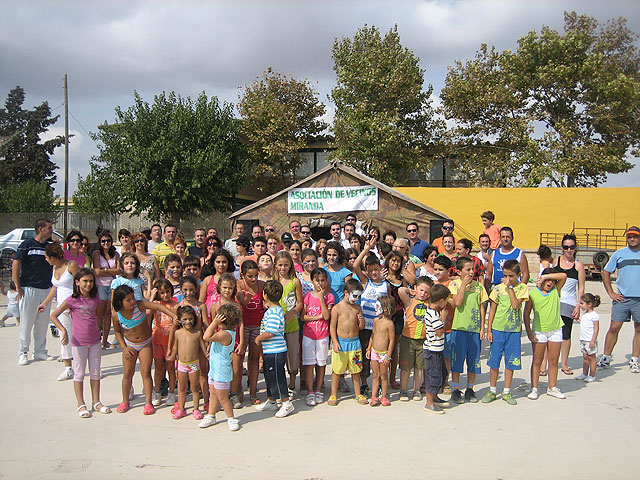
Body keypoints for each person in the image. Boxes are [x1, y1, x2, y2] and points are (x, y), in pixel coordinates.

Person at [49, 268, 111, 418]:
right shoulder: (71, 300)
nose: (88, 284)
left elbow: (97, 317)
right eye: (85, 281)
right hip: (79, 342)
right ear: (77, 282)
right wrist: (63, 330)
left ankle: (96, 402)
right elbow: (53, 316)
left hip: (95, 341)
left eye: (91, 281)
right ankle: (81, 403)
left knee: (95, 372)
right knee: (79, 373)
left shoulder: (96, 299)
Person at [111, 284, 176, 414]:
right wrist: (124, 348)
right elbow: (117, 332)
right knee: (128, 373)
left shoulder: (139, 305)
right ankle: (125, 401)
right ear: (119, 302)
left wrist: (173, 315)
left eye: (133, 298)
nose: (132, 301)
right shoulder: (116, 315)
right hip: (129, 345)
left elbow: (158, 306)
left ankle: (148, 402)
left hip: (145, 344)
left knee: (146, 373)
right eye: (128, 300)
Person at [483, 260, 529, 405]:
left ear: (518, 275)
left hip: (513, 331)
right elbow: (492, 310)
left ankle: (507, 391)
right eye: (505, 276)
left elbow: (515, 305)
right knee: (494, 361)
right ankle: (492, 390)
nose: (507, 279)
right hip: (498, 329)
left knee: (510, 361)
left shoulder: (522, 288)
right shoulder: (497, 289)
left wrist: (510, 288)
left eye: (511, 276)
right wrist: (489, 329)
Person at [12, 218, 54, 365]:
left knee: (42, 323)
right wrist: (18, 287)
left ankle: (40, 351)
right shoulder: (27, 245)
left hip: (46, 289)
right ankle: (23, 352)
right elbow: (16, 264)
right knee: (27, 322)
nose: (52, 230)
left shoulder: (49, 247)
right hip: (28, 289)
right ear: (41, 229)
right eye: (49, 228)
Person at [599, 226, 640, 373]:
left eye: (635, 236)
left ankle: (634, 360)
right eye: (629, 237)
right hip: (622, 299)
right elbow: (605, 272)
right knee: (614, 327)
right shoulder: (619, 254)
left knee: (639, 329)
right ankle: (606, 358)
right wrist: (611, 293)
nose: (632, 239)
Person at [448, 256, 489, 404]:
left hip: (474, 329)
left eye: (473, 269)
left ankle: (470, 389)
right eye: (468, 269)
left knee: (473, 361)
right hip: (459, 328)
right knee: (457, 360)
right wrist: (464, 286)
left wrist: (482, 327)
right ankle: (455, 389)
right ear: (459, 272)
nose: (471, 272)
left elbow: (481, 307)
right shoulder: (454, 285)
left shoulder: (479, 287)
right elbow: (457, 303)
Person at [37, 241, 80, 380]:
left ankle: (88, 366)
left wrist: (77, 303)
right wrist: (44, 303)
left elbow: (82, 283)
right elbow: (55, 287)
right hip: (61, 307)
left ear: (52, 257)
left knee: (80, 336)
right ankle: (68, 368)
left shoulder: (71, 265)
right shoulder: (54, 267)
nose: (46, 259)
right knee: (64, 335)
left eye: (46, 257)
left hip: (75, 306)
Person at [352, 238, 389, 395]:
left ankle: (379, 382)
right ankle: (364, 383)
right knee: (365, 356)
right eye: (371, 270)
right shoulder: (365, 282)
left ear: (380, 269)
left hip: (380, 328)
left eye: (376, 269)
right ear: (366, 271)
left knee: (378, 356)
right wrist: (366, 249)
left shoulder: (385, 285)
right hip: (365, 326)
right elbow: (355, 266)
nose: (374, 272)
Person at [524, 268, 568, 400]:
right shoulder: (533, 294)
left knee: (553, 361)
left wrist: (546, 277)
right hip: (539, 331)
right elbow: (526, 314)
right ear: (541, 279)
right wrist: (529, 331)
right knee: (537, 361)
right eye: (547, 280)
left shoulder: (556, 290)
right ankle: (534, 388)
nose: (550, 283)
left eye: (552, 280)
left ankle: (552, 387)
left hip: (556, 330)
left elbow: (564, 276)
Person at [255, 280, 295, 417]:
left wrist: (258, 338)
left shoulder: (273, 312)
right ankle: (272, 400)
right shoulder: (274, 310)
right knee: (269, 376)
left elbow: (270, 332)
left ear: (265, 295)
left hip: (276, 351)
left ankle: (286, 402)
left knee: (277, 377)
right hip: (270, 350)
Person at [200, 305, 241, 430]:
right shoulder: (224, 333)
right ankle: (211, 416)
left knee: (223, 398)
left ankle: (231, 418)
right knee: (213, 395)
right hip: (215, 370)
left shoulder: (225, 334)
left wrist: (214, 323)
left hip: (221, 372)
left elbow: (206, 337)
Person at [208, 273, 245, 408]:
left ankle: (233, 394)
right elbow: (213, 326)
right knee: (219, 368)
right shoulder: (215, 306)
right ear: (219, 287)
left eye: (230, 288)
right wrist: (210, 343)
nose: (227, 290)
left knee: (236, 368)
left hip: (235, 340)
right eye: (224, 287)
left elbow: (241, 324)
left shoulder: (237, 306)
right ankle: (219, 396)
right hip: (219, 341)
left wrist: (242, 343)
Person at [328, 279, 366, 406]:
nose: (356, 299)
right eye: (354, 296)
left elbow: (361, 327)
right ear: (346, 293)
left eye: (358, 296)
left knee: (356, 370)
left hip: (355, 343)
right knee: (337, 370)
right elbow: (332, 327)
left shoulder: (357, 308)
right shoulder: (337, 308)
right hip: (341, 343)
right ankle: (333, 394)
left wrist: (361, 320)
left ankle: (358, 394)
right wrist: (334, 341)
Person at [301, 268, 334, 406]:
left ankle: (319, 389)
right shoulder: (307, 296)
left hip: (323, 335)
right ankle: (310, 391)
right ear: (312, 281)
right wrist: (317, 316)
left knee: (321, 364)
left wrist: (321, 298)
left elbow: (326, 316)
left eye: (322, 280)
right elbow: (303, 317)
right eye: (317, 280)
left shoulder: (329, 297)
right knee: (310, 364)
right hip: (309, 335)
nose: (320, 283)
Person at [168, 305, 207, 420]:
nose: (188, 321)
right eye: (185, 319)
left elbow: (203, 347)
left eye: (190, 319)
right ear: (180, 320)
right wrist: (172, 356)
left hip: (194, 364)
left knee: (194, 387)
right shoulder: (177, 333)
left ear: (194, 319)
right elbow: (175, 347)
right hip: (181, 364)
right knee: (182, 387)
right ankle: (181, 409)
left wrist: (207, 355)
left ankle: (196, 409)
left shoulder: (197, 333)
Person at [396, 277, 433, 401]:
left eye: (426, 292)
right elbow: (401, 291)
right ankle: (403, 390)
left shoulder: (430, 304)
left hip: (423, 340)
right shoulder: (410, 302)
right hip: (408, 339)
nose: (423, 294)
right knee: (405, 368)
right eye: (421, 290)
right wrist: (410, 291)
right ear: (416, 288)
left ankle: (416, 390)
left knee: (419, 368)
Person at [555, 234, 586, 375]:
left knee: (566, 334)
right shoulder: (556, 261)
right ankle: (544, 365)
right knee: (549, 332)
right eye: (566, 247)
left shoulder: (578, 265)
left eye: (571, 247)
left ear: (575, 248)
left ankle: (564, 364)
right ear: (562, 248)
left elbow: (581, 287)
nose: (569, 250)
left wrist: (578, 305)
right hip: (554, 301)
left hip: (569, 303)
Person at [273, 251, 303, 394]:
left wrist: (292, 313)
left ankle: (292, 382)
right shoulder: (272, 281)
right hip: (276, 324)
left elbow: (300, 303)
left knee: (292, 354)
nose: (283, 268)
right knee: (278, 355)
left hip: (291, 324)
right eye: (280, 265)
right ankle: (280, 383)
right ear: (275, 265)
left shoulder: (295, 281)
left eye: (286, 265)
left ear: (290, 265)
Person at [236, 260, 265, 404]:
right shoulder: (239, 285)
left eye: (255, 276)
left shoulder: (262, 285)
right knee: (239, 358)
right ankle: (238, 391)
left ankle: (253, 392)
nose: (253, 279)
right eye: (250, 276)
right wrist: (246, 299)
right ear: (243, 275)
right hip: (242, 326)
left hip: (257, 326)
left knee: (254, 359)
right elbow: (242, 302)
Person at [421, 284, 452, 414]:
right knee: (433, 376)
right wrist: (443, 318)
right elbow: (439, 332)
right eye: (446, 300)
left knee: (439, 374)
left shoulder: (432, 312)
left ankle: (434, 398)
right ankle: (429, 403)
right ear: (441, 301)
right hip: (432, 350)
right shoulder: (433, 314)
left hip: (437, 349)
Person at [149, 278, 177, 407]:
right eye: (162, 292)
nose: (165, 295)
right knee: (159, 368)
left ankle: (171, 392)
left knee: (171, 368)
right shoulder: (155, 304)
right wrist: (152, 296)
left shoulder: (175, 305)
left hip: (170, 342)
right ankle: (157, 392)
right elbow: (147, 311)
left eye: (167, 291)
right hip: (157, 340)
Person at [365, 295, 395, 407]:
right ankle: (374, 396)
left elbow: (392, 341)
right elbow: (373, 335)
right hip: (374, 352)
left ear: (385, 308)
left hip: (383, 354)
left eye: (378, 306)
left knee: (383, 375)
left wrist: (388, 355)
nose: (375, 308)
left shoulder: (389, 324)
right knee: (375, 374)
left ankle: (384, 396)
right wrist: (369, 348)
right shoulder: (376, 320)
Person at [92, 230, 120, 349]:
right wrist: (110, 271)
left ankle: (105, 341)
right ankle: (96, 340)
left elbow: (119, 270)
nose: (106, 243)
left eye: (108, 240)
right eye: (103, 241)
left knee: (108, 313)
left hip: (112, 285)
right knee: (100, 313)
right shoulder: (97, 254)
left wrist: (105, 270)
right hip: (101, 285)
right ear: (100, 242)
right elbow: (97, 272)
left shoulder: (115, 254)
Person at [577, 293, 601, 382]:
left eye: (582, 303)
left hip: (589, 340)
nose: (580, 305)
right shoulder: (585, 314)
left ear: (589, 304)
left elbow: (596, 328)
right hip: (583, 339)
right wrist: (577, 320)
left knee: (592, 357)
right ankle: (584, 373)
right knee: (585, 357)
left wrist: (593, 340)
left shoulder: (594, 316)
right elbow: (584, 323)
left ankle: (592, 375)